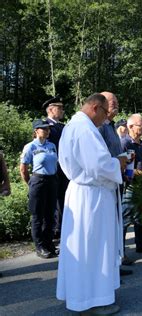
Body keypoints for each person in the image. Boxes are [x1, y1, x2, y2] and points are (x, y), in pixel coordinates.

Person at [56, 93, 127, 314]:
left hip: (83, 194)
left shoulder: (73, 125)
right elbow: (99, 165)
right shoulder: (85, 129)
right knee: (94, 248)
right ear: (95, 107)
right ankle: (94, 300)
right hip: (91, 197)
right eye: (105, 113)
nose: (106, 119)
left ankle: (81, 295)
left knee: (84, 247)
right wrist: (120, 162)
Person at [98, 92, 133, 273]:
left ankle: (117, 259)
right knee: (111, 223)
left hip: (116, 177)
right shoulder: (101, 127)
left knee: (116, 221)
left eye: (117, 102)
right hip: (106, 180)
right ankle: (112, 264)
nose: (116, 105)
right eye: (113, 102)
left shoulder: (111, 125)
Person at [20, 119, 58, 259]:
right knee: (37, 216)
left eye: (48, 128)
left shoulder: (52, 145)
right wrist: (30, 183)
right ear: (36, 131)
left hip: (52, 180)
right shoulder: (30, 147)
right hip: (38, 181)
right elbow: (23, 168)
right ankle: (40, 246)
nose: (47, 131)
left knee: (50, 215)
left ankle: (49, 244)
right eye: (43, 128)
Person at [122, 114, 142, 254]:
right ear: (130, 127)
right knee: (126, 218)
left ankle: (140, 244)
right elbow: (123, 167)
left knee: (140, 215)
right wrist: (136, 173)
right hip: (129, 186)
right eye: (140, 125)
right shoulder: (125, 143)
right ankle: (120, 251)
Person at [43, 96, 69, 239]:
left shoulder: (63, 126)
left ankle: (61, 228)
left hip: (64, 169)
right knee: (51, 201)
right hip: (52, 170)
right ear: (51, 109)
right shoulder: (45, 126)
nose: (62, 111)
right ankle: (52, 231)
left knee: (63, 199)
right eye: (60, 108)